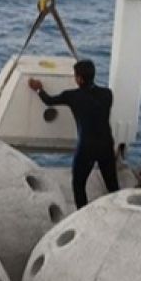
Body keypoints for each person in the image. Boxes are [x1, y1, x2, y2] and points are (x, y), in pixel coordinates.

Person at [29, 59, 119, 209]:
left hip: (87, 147)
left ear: (79, 79)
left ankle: (82, 216)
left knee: (78, 184)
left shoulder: (72, 96)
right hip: (106, 144)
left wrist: (38, 89)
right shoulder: (107, 94)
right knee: (112, 185)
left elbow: (49, 101)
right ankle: (120, 211)